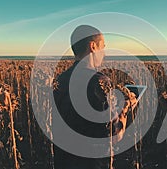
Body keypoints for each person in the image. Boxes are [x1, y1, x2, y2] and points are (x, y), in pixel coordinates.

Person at [53, 25, 137, 169]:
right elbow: (113, 135)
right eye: (103, 47)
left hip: (63, 160)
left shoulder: (60, 79)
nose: (104, 53)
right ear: (93, 46)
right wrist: (125, 111)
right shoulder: (98, 81)